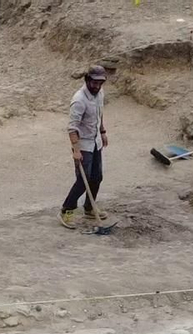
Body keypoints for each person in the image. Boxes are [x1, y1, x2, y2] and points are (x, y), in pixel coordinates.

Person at [60, 64, 109, 230]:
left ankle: (89, 208)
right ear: (87, 80)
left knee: (97, 177)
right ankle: (66, 210)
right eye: (94, 82)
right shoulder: (79, 100)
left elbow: (99, 114)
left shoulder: (100, 93)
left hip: (96, 141)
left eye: (100, 83)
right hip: (83, 145)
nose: (97, 86)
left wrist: (102, 131)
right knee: (83, 180)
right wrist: (76, 150)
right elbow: (72, 128)